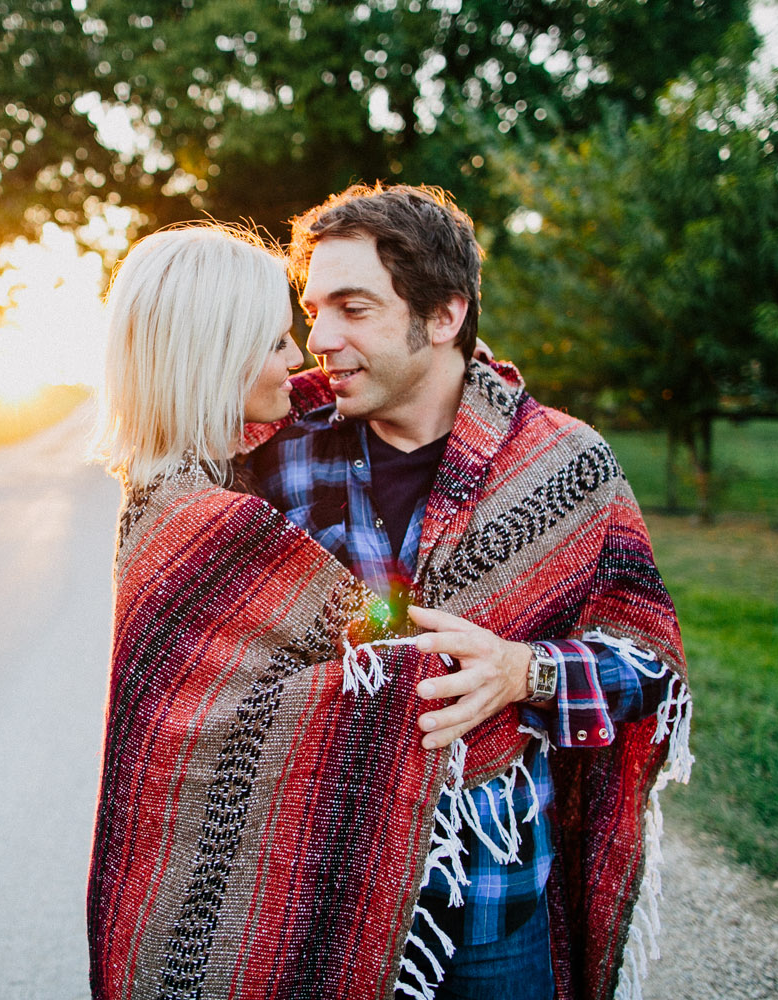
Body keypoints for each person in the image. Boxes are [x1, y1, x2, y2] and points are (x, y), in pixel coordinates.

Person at [240, 183, 692, 1000]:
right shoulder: (276, 455)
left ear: (444, 315)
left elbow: (650, 664)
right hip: (320, 885)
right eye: (315, 312)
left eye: (353, 308)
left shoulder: (564, 465)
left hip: (494, 900)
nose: (322, 340)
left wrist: (526, 673)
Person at [89, 223, 493, 1000]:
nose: (299, 359)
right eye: (278, 340)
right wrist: (503, 664)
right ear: (217, 353)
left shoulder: (167, 492)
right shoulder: (213, 524)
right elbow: (389, 656)